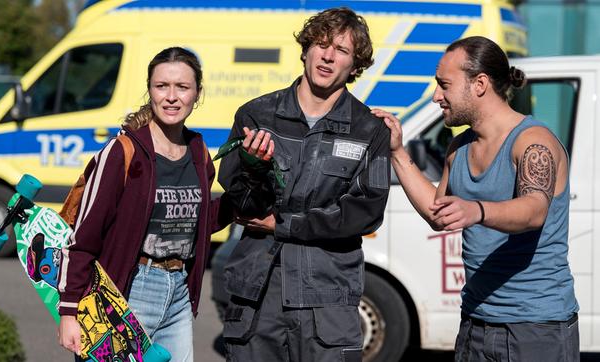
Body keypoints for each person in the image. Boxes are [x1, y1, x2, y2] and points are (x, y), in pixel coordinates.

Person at [56, 47, 274, 361]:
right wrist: (70, 311)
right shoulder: (122, 152)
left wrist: (251, 179)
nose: (171, 96)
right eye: (162, 86)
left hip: (179, 293)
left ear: (197, 93)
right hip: (127, 292)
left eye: (182, 87)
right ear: (150, 90)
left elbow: (200, 222)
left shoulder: (198, 151)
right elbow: (84, 237)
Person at [373, 36, 579, 362]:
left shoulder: (533, 142)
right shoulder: (459, 148)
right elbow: (438, 214)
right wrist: (397, 152)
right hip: (475, 323)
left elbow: (534, 210)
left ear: (479, 84)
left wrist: (478, 210)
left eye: (444, 85)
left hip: (535, 328)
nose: (436, 96)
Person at [218, 7, 391, 362]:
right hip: (258, 293)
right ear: (306, 50)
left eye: (341, 50)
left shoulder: (369, 130)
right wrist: (252, 169)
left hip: (327, 299)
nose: (328, 55)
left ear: (355, 65)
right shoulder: (255, 115)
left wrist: (286, 225)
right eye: (321, 44)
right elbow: (244, 208)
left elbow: (365, 212)